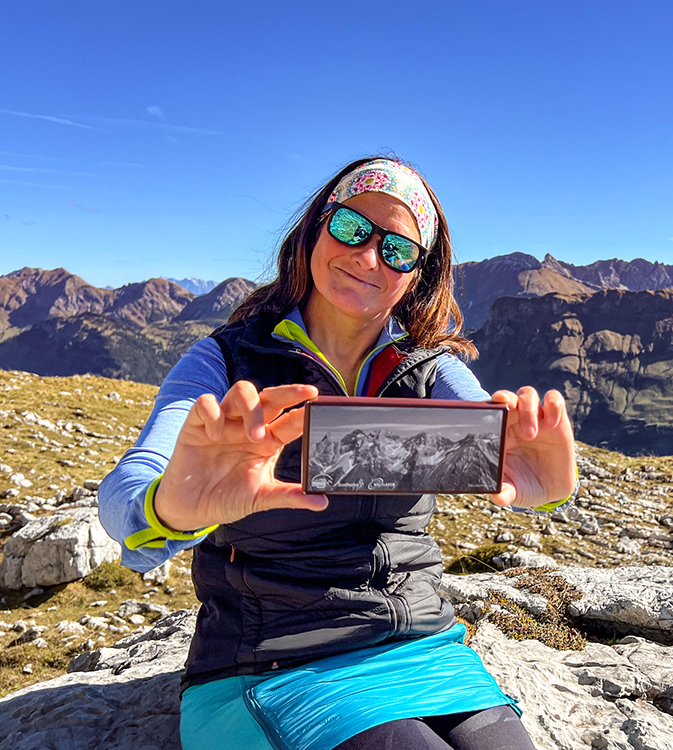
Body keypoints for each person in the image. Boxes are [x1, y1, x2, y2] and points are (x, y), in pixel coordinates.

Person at [98, 156, 577, 750]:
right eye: (352, 228)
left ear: (418, 276)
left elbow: (505, 451)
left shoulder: (431, 371)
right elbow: (125, 499)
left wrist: (545, 485)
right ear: (315, 229)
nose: (369, 256)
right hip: (274, 660)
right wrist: (173, 505)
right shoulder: (224, 362)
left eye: (399, 249)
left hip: (423, 648)